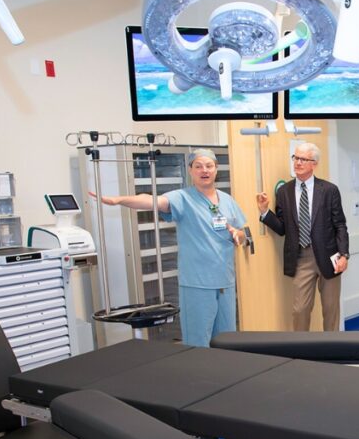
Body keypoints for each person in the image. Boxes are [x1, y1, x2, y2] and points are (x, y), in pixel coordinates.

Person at [92, 148, 248, 348]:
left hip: (225, 281)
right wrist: (119, 200)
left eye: (209, 166)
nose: (204, 170)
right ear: (190, 170)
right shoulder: (183, 198)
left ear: (216, 169)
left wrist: (238, 235)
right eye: (198, 166)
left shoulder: (227, 200)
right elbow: (152, 201)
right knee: (198, 342)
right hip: (197, 284)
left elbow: (242, 233)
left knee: (227, 340)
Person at [256, 142, 349, 331]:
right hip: (301, 258)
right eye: (295, 158)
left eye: (303, 159)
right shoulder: (284, 191)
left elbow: (340, 224)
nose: (297, 162)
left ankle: (333, 346)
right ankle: (301, 347)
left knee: (331, 310)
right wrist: (265, 212)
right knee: (300, 310)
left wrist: (344, 255)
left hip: (329, 256)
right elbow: (282, 228)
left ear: (314, 163)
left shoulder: (329, 190)